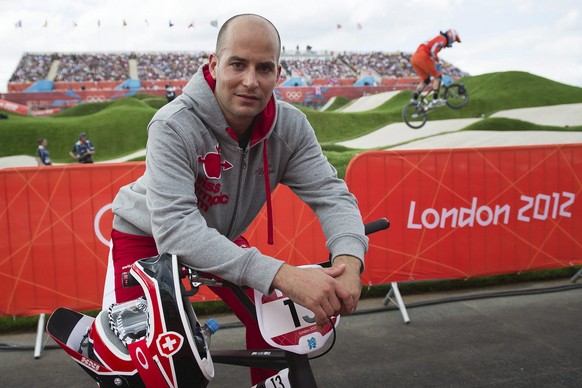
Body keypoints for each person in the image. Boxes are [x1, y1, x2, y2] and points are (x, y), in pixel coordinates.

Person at [102, 13, 368, 385]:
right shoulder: (172, 124)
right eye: (238, 65)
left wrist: (350, 260)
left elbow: (332, 195)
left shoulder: (290, 127)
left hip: (218, 239)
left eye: (264, 68)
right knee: (148, 363)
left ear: (278, 73)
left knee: (282, 323)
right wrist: (282, 274)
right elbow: (176, 232)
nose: (250, 81)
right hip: (146, 238)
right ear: (214, 64)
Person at [410, 28, 461, 108]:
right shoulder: (443, 39)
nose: (452, 43)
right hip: (423, 56)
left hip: (415, 58)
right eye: (453, 41)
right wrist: (437, 61)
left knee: (426, 79)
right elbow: (433, 51)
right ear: (451, 36)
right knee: (438, 76)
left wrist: (436, 61)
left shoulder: (438, 38)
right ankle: (435, 100)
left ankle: (414, 99)